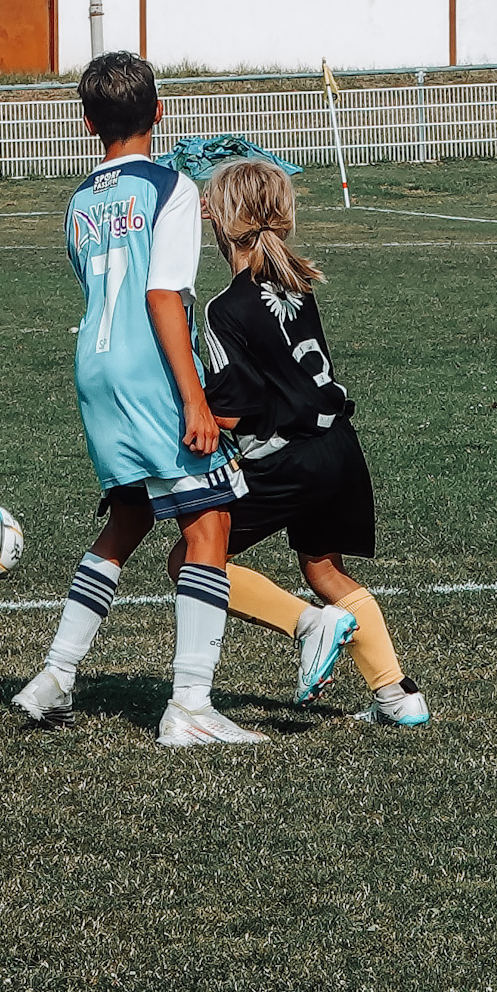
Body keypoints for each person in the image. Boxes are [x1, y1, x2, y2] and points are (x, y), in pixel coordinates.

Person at [13, 51, 263, 747]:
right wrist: (194, 399)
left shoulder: (79, 199)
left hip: (93, 368)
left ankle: (55, 676)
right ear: (159, 111)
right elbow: (161, 296)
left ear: (88, 122)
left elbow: (93, 288)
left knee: (128, 520)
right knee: (208, 526)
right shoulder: (172, 188)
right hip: (151, 371)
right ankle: (190, 705)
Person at [179, 157, 431, 726]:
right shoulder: (296, 285)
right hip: (340, 445)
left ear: (219, 221)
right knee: (323, 569)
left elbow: (235, 410)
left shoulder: (225, 309)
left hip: (292, 457)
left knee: (189, 560)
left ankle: (310, 624)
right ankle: (399, 697)